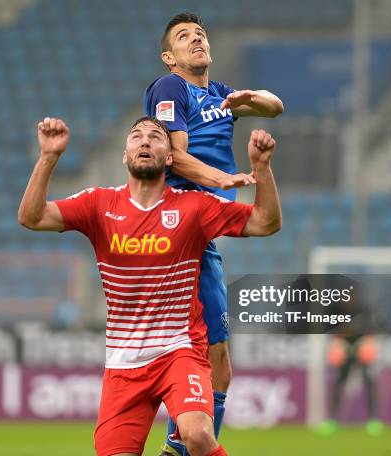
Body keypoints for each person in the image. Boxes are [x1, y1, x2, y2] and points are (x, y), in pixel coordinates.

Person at [18, 116, 282, 456]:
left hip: (179, 352)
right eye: (136, 136)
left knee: (198, 436)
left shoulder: (193, 207)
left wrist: (262, 168)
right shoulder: (99, 204)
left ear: (170, 156)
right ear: (125, 155)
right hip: (124, 364)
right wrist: (49, 157)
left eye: (156, 137)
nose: (145, 142)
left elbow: (266, 222)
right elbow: (32, 217)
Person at [144, 12, 284, 455]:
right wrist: (219, 179)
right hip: (175, 224)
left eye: (201, 35)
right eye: (184, 37)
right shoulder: (170, 87)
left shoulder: (221, 94)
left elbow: (274, 107)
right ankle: (183, 445)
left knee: (219, 361)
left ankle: (178, 448)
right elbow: (173, 156)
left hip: (203, 235)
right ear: (170, 57)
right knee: (199, 354)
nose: (196, 40)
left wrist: (253, 97)